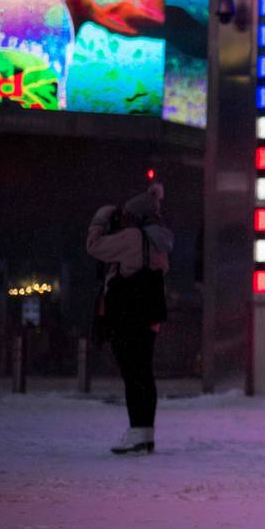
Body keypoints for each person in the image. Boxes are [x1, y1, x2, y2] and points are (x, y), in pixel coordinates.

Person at [86, 184, 173, 456]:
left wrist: (101, 218)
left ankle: (136, 434)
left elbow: (94, 247)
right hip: (149, 315)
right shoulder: (158, 244)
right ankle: (145, 434)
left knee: (131, 375)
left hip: (127, 315)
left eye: (126, 215)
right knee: (144, 374)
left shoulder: (132, 237)